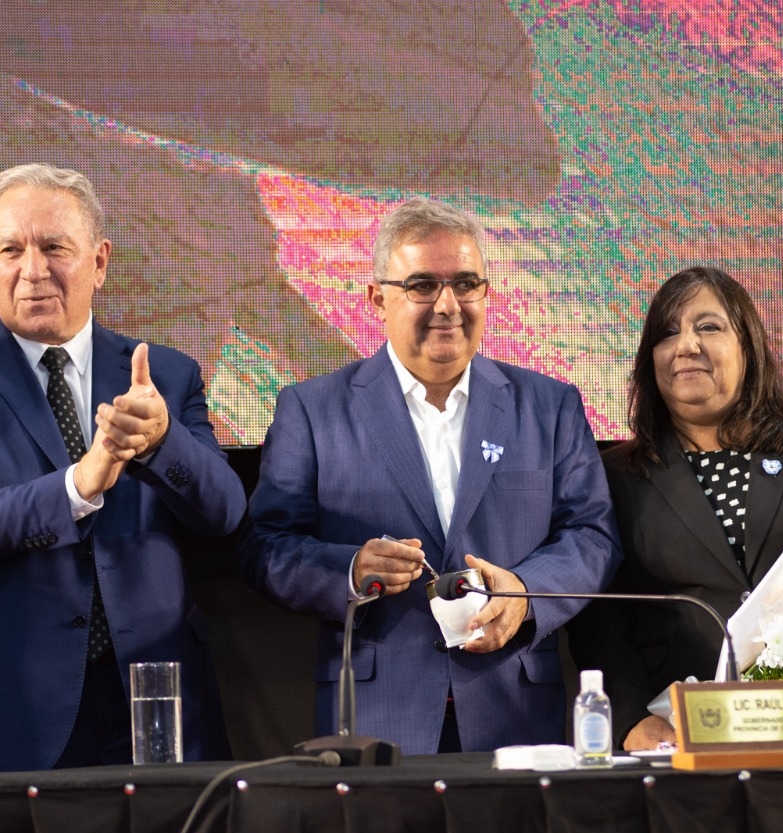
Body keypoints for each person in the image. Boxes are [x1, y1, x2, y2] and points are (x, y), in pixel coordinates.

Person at [0, 164, 245, 772]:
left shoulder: (166, 373)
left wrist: (162, 441)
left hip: (149, 697)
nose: (33, 270)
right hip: (2, 702)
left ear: (99, 262)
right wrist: (76, 487)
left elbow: (225, 512)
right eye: (11, 250)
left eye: (55, 247)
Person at [240, 197, 619, 754]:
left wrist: (525, 593)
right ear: (378, 299)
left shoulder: (549, 406)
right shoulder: (313, 411)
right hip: (377, 717)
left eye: (466, 284)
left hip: (513, 713)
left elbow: (592, 535)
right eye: (422, 285)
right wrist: (350, 570)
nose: (448, 305)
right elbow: (265, 548)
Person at [568, 266, 783, 750]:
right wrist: (630, 721)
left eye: (708, 327)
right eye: (667, 333)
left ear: (748, 345)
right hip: (686, 730)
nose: (686, 345)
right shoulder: (615, 476)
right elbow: (600, 620)